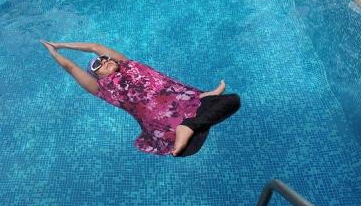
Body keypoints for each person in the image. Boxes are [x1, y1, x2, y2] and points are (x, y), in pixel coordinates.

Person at [39, 40, 241, 157]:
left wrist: (63, 44)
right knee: (187, 150)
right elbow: (71, 67)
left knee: (233, 101)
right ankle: (189, 125)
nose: (103, 61)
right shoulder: (102, 89)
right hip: (165, 127)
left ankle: (194, 115)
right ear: (96, 77)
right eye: (96, 65)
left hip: (189, 104)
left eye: (105, 59)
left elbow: (94, 46)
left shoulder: (128, 64)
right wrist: (55, 52)